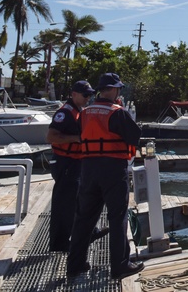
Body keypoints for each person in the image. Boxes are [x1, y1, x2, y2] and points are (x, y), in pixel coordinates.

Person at [66, 73, 144, 281]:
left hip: (89, 168)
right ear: (115, 90)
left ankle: (75, 265)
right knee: (117, 217)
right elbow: (134, 137)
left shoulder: (85, 112)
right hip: (112, 168)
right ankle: (120, 266)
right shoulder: (117, 112)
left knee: (84, 218)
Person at [46, 80, 110, 252]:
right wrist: (76, 139)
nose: (88, 98)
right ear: (74, 94)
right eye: (85, 95)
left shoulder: (78, 111)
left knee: (79, 200)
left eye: (90, 95)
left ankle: (87, 233)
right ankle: (60, 242)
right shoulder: (65, 113)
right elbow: (51, 136)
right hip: (66, 163)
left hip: (77, 162)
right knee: (64, 203)